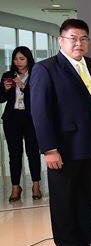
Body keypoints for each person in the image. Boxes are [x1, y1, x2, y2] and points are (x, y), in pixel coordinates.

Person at [30, 19, 91, 246]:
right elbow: (40, 113)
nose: (79, 43)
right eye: (73, 38)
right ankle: (68, 245)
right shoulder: (46, 69)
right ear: (61, 41)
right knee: (64, 199)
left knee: (87, 197)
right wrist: (49, 149)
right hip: (64, 148)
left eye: (83, 38)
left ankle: (87, 239)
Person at [1, 46, 41, 201]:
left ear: (28, 59)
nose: (18, 62)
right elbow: (1, 99)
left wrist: (24, 87)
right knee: (14, 154)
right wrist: (5, 89)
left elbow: (39, 97)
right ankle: (15, 187)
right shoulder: (8, 75)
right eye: (15, 59)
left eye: (21, 59)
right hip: (12, 119)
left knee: (33, 152)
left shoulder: (36, 74)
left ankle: (36, 185)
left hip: (31, 119)